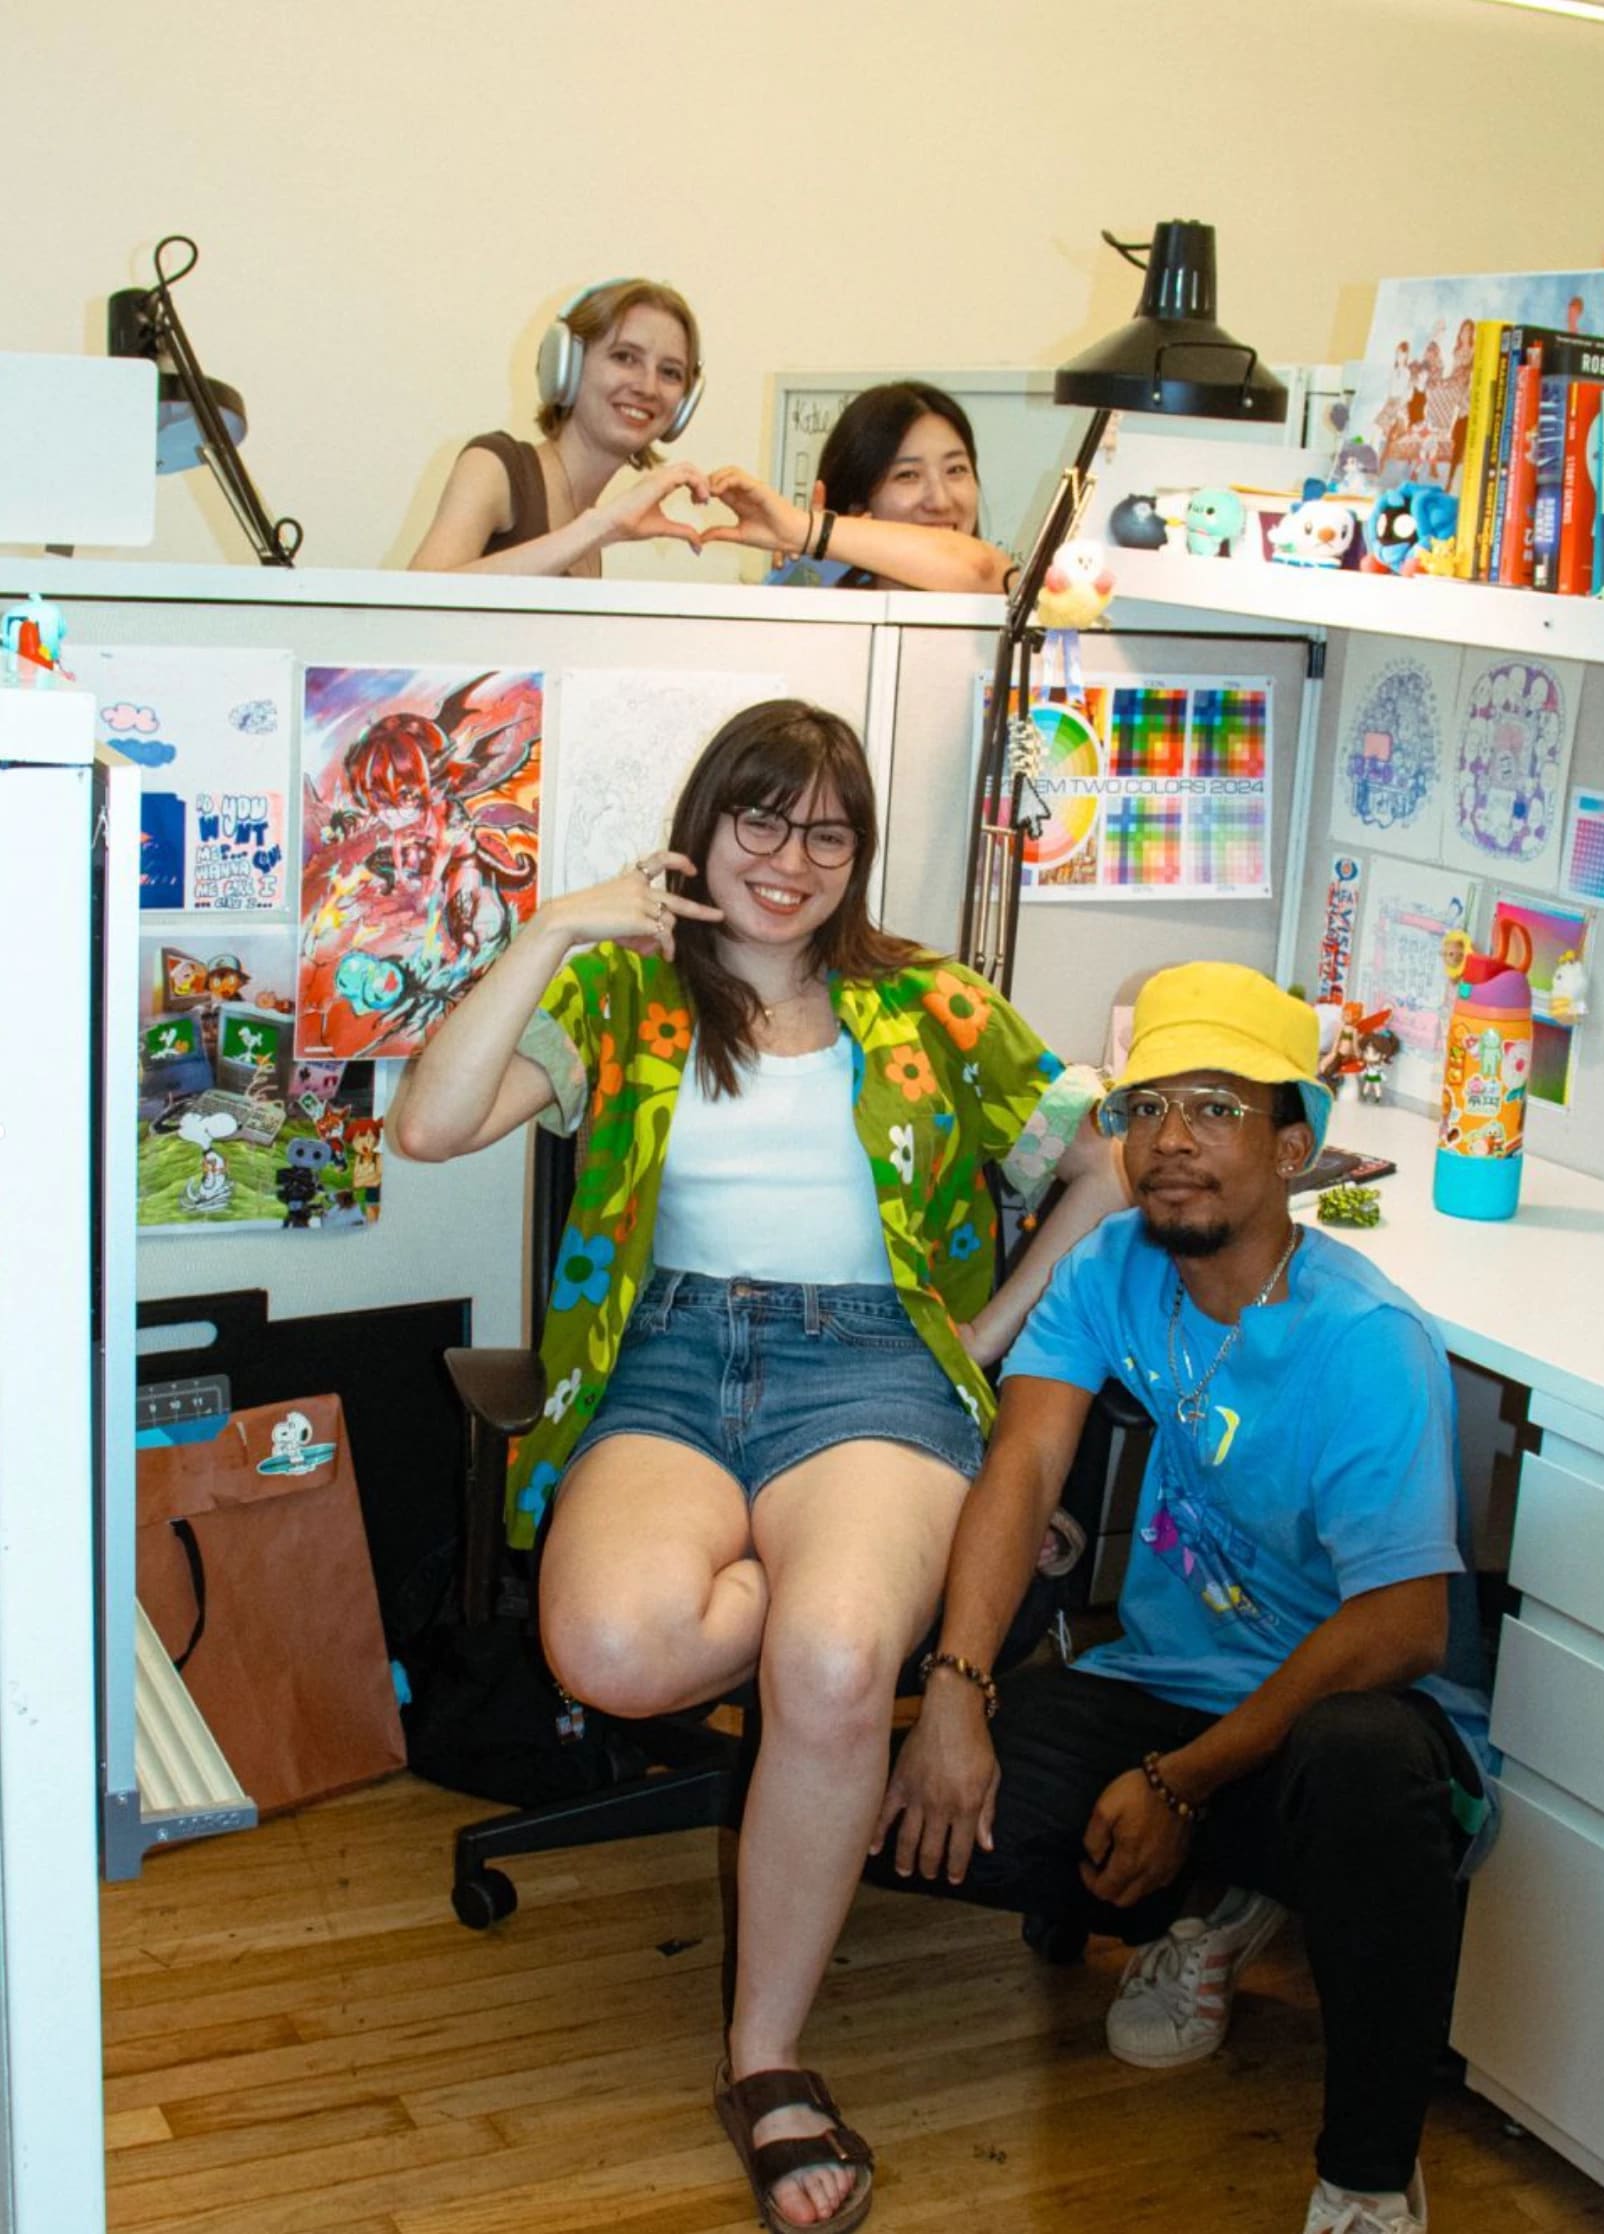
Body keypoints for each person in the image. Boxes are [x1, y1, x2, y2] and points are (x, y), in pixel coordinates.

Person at [392, 699, 1119, 2233]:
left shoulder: (931, 1001)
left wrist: (987, 1327)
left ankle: (766, 2056)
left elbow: (1099, 1153)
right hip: (667, 1358)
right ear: (704, 823)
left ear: (857, 857)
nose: (789, 861)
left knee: (843, 1657)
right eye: (760, 821)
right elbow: (428, 1123)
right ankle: (815, 1668)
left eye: (827, 832)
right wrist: (549, 930)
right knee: (608, 1643)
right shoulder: (621, 992)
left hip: (870, 1369)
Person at [872, 961, 1495, 2234]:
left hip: (1347, 1723)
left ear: (1291, 1142)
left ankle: (1370, 2176)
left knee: (1362, 1769)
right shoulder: (1111, 1266)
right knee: (912, 1815)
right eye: (1146, 1104)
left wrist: (1177, 1783)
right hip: (1160, 1688)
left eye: (1213, 1106)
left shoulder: (1365, 1343)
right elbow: (1026, 1459)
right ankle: (1215, 1909)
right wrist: (955, 1690)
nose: (1168, 1138)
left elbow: (1401, 1627)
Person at [407, 278, 710, 577]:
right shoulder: (496, 467)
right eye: (624, 357)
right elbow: (411, 605)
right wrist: (600, 527)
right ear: (568, 365)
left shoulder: (592, 530)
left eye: (670, 372)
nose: (648, 387)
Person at [704, 381, 1014, 593]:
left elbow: (980, 568)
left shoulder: (1006, 592)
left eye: (956, 469)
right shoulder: (816, 591)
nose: (941, 500)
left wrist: (806, 529)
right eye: (908, 475)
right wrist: (814, 566)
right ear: (856, 503)